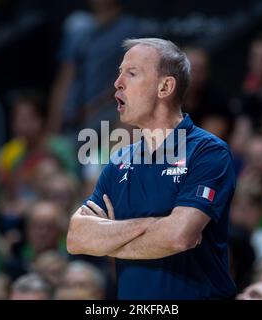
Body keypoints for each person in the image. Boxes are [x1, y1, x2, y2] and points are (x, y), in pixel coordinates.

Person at [67, 38, 237, 299]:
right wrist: (154, 225)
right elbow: (77, 238)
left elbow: (178, 237)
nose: (117, 82)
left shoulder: (208, 152)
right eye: (119, 72)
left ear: (165, 86)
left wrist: (111, 240)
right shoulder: (118, 160)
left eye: (131, 73)